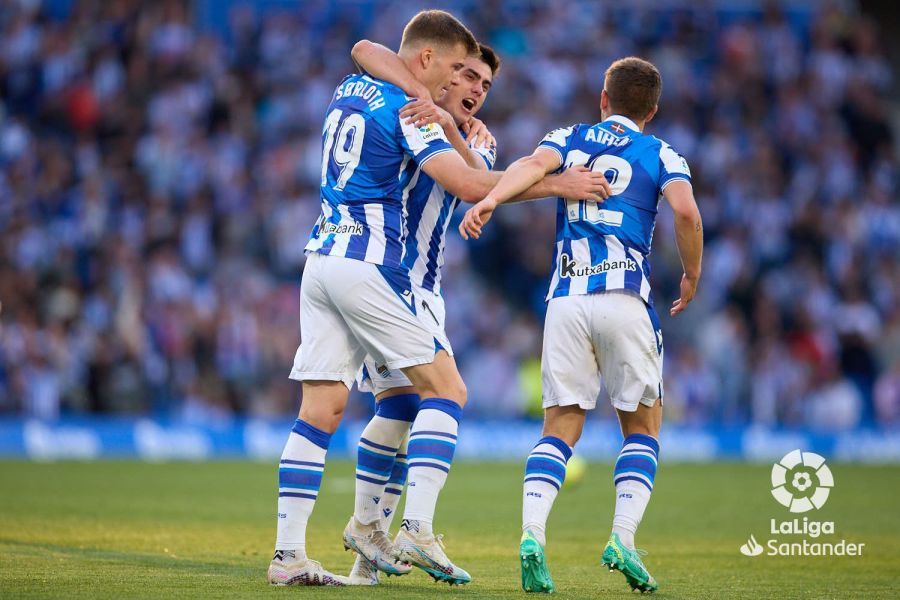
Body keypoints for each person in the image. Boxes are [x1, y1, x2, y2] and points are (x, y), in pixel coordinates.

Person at [269, 10, 611, 587]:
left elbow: (364, 50)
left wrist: (454, 128)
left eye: (481, 82)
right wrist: (560, 185)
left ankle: (303, 555)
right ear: (433, 66)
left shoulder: (364, 91)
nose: (469, 87)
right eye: (462, 72)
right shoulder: (413, 113)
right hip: (385, 272)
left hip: (325, 258)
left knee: (345, 406)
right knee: (445, 390)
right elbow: (476, 186)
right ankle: (411, 528)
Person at [460, 56, 704, 594]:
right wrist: (690, 275)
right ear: (652, 112)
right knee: (641, 428)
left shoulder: (569, 137)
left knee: (559, 426)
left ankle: (531, 536)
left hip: (566, 300)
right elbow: (686, 213)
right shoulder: (661, 152)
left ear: (603, 99)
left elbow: (528, 166)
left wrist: (492, 198)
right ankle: (622, 538)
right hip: (624, 298)